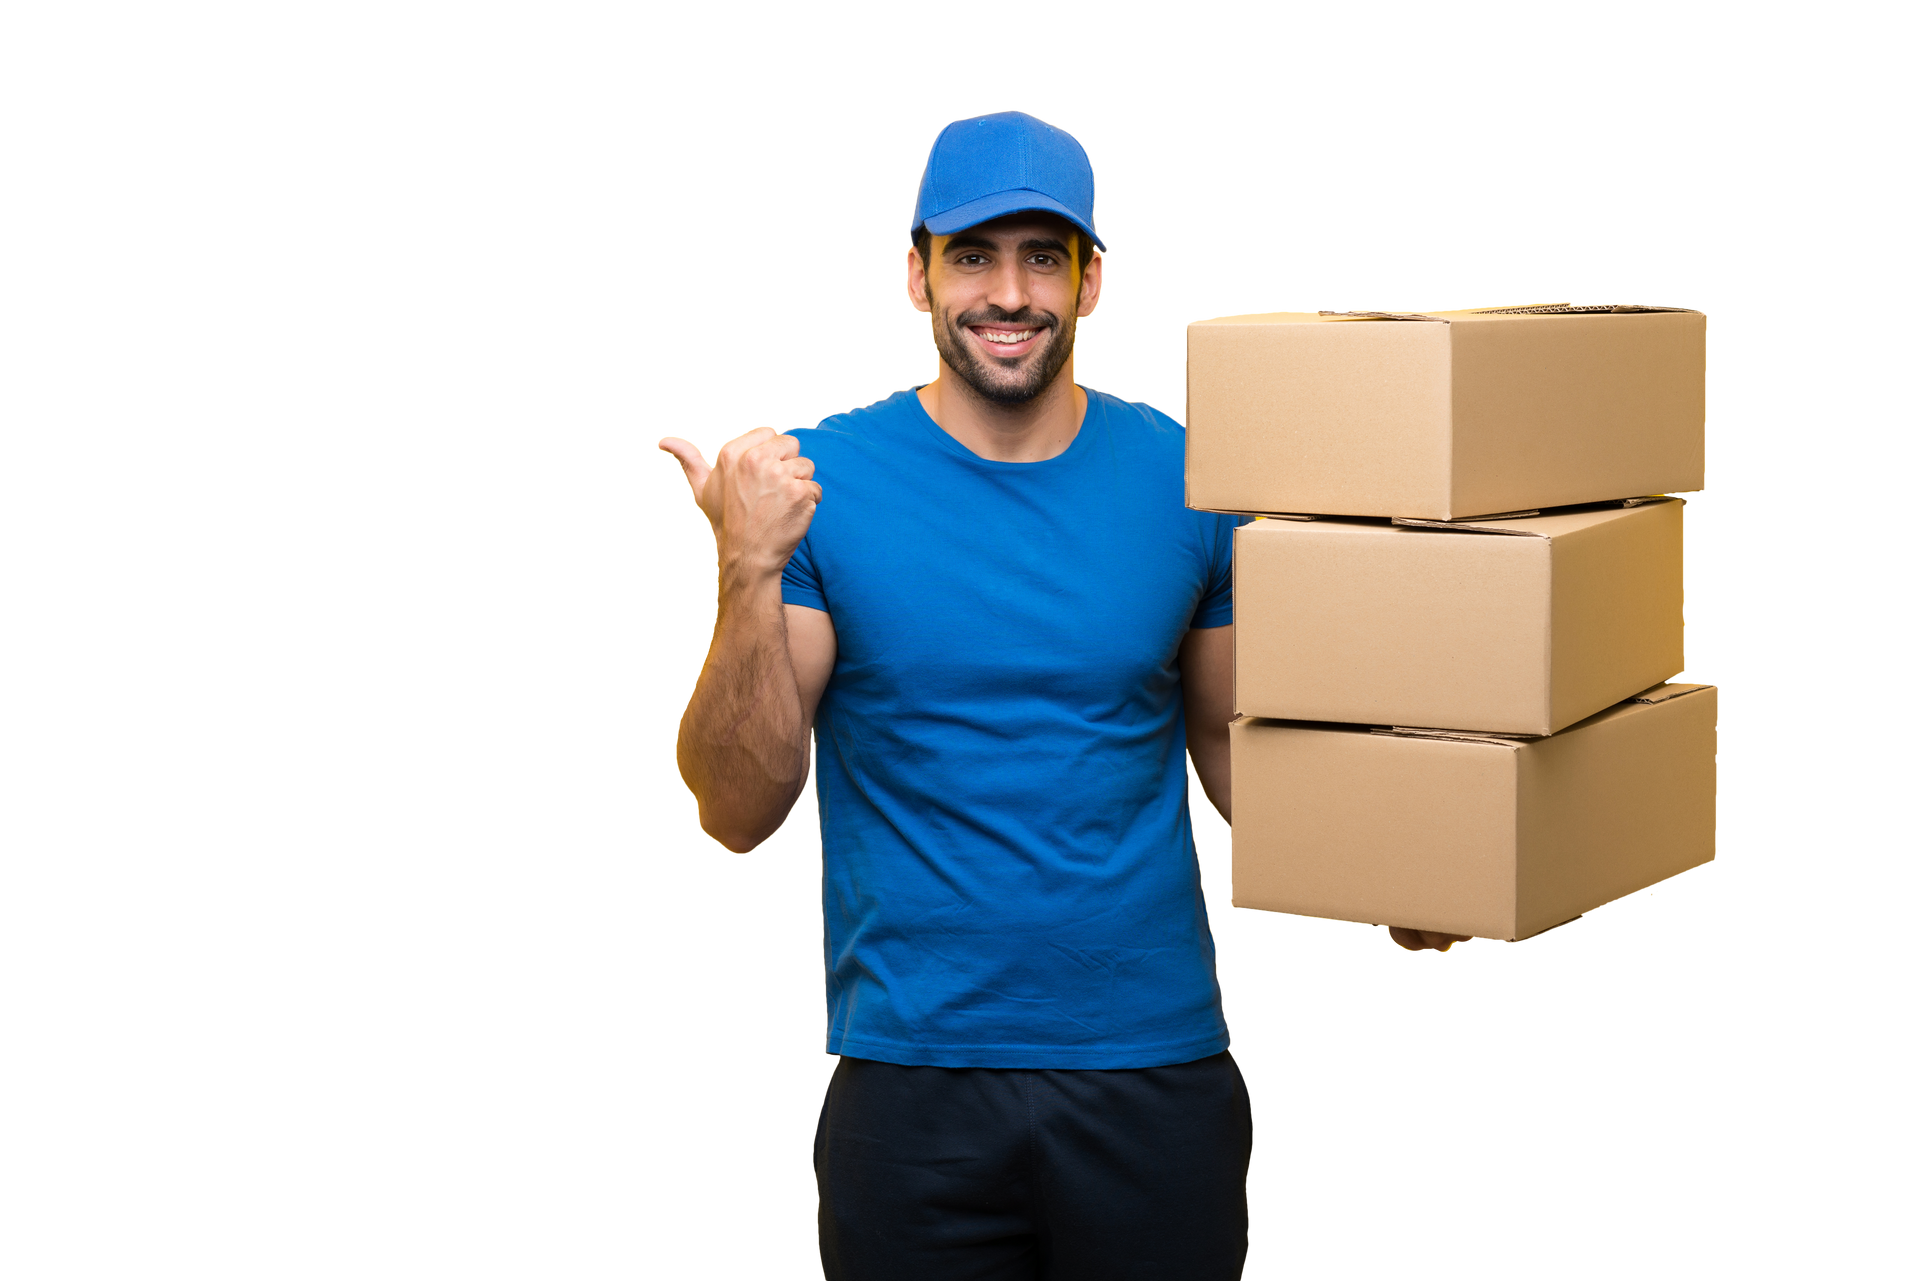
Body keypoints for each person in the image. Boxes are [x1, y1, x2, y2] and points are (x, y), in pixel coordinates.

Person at [657, 108, 1467, 1281]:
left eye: (1046, 257)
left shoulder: (1192, 477)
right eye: (974, 256)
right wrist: (747, 565)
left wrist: (1390, 881)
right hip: (910, 1084)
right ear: (914, 274)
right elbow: (737, 811)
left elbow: (1238, 753)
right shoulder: (820, 485)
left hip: (1157, 1073)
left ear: (1093, 281)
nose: (1009, 293)